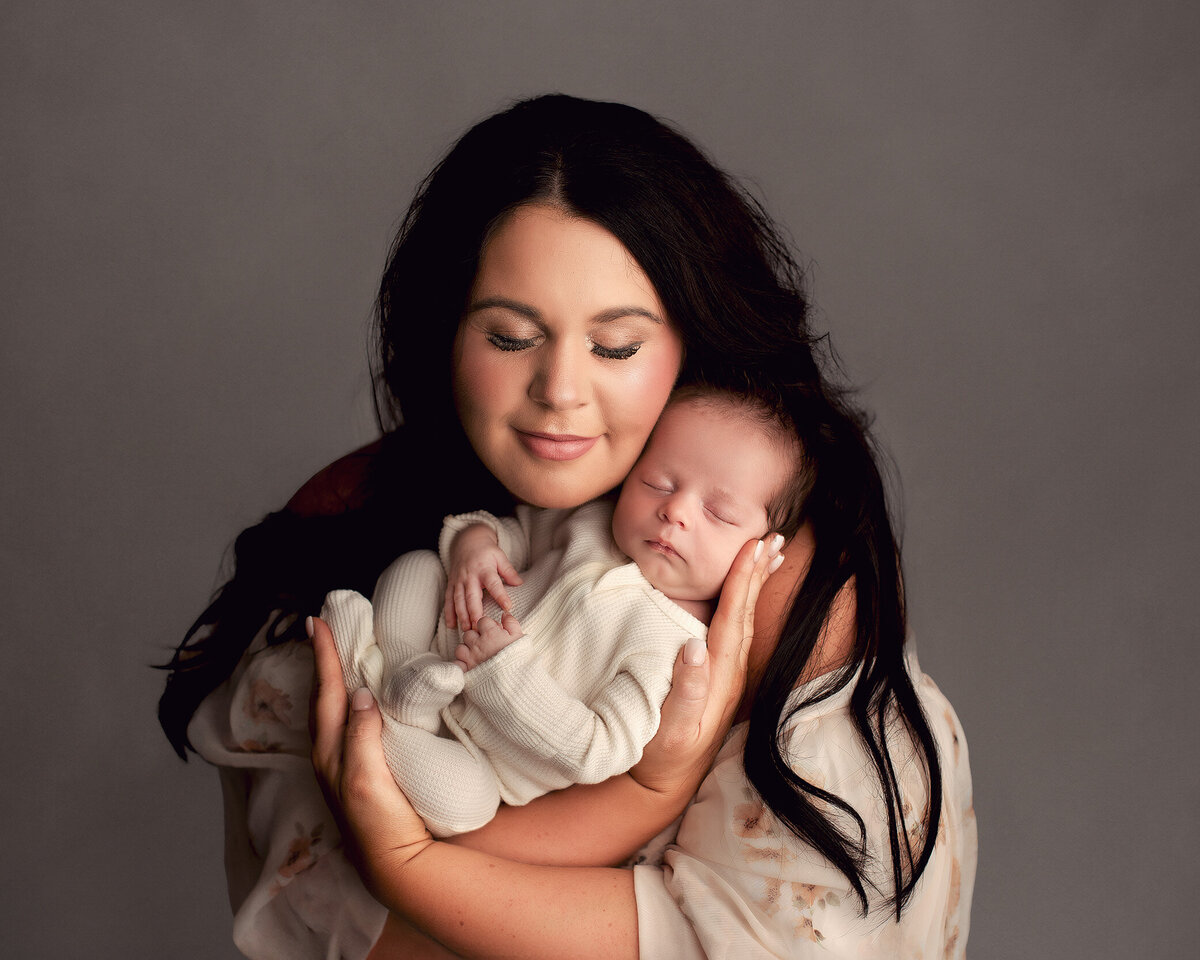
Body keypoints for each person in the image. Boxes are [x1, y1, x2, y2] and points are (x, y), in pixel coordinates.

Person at [161, 94, 975, 958]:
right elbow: (298, 895)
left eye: (616, 347)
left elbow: (780, 940)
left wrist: (409, 863)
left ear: (692, 344)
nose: (559, 390)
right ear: (446, 329)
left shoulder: (776, 583)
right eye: (511, 337)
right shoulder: (358, 511)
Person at [321, 389, 799, 837]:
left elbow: (597, 750)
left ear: (763, 553)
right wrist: (477, 544)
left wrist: (504, 672)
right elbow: (517, 535)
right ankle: (401, 667)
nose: (675, 510)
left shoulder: (676, 650)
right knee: (420, 567)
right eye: (657, 482)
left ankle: (383, 698)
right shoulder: (592, 521)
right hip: (439, 637)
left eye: (718, 513)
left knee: (463, 807)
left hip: (484, 759)